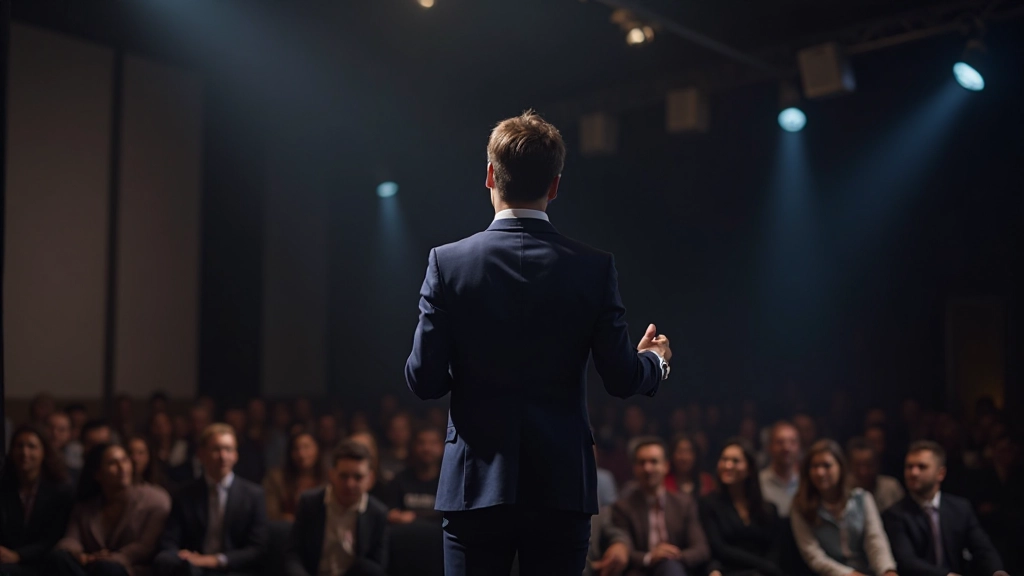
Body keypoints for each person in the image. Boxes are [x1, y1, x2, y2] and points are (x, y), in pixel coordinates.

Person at [405, 111, 671, 576]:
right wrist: (655, 361)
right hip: (561, 486)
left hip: (474, 485)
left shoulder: (447, 264)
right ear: (555, 185)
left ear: (490, 174)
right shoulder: (593, 267)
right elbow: (623, 378)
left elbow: (424, 380)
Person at [154, 424, 267, 576]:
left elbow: (257, 549)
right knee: (165, 559)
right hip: (191, 568)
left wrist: (215, 560)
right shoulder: (184, 494)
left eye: (228, 449)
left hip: (232, 569)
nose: (223, 456)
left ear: (236, 455)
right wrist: (182, 556)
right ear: (201, 454)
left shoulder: (254, 495)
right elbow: (169, 539)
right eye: (216, 449)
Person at [45, 443, 171, 576]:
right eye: (112, 463)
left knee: (107, 568)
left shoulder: (155, 500)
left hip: (130, 570)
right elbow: (71, 539)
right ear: (98, 474)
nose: (122, 468)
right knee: (58, 557)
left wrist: (111, 558)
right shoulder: (86, 507)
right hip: (90, 566)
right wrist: (79, 555)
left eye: (124, 460)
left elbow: (145, 546)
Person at [883, 441, 1004, 576]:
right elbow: (907, 561)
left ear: (940, 473)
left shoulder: (960, 508)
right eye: (909, 467)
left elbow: (982, 548)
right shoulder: (894, 514)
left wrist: (997, 572)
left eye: (922, 467)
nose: (914, 473)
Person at [790, 440, 897, 576]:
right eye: (814, 466)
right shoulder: (800, 505)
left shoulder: (862, 498)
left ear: (840, 467)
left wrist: (887, 571)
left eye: (826, 466)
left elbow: (875, 541)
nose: (820, 472)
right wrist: (850, 574)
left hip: (866, 571)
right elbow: (814, 556)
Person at [285, 441, 388, 576]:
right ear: (332, 474)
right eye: (343, 476)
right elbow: (293, 554)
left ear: (370, 479)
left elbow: (377, 565)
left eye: (358, 477)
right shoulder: (309, 503)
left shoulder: (378, 512)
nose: (350, 484)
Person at [611, 438, 710, 576]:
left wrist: (671, 556)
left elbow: (701, 549)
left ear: (666, 466)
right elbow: (624, 549)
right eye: (642, 463)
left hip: (676, 567)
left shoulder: (684, 504)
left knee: (670, 567)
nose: (647, 468)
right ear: (634, 468)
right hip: (640, 571)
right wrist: (650, 557)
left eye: (654, 461)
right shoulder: (623, 507)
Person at [700, 439, 785, 576]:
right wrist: (763, 566)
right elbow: (719, 549)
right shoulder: (708, 504)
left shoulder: (768, 509)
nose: (728, 465)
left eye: (735, 461)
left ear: (750, 468)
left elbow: (775, 549)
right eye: (724, 459)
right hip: (729, 571)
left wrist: (767, 569)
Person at [0, 425, 75, 575]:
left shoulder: (60, 491)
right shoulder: (4, 488)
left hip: (45, 562)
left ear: (43, 452)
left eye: (32, 447)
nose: (24, 452)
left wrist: (19, 555)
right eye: (19, 446)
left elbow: (56, 536)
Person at [382, 426, 443, 524]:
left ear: (442, 446)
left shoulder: (450, 484)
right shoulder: (399, 481)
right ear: (413, 446)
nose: (426, 448)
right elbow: (390, 513)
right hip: (405, 535)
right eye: (421, 443)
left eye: (433, 443)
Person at [264, 432, 326, 522]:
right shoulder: (276, 478)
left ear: (317, 449)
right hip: (283, 532)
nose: (301, 454)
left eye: (306, 447)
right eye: (296, 449)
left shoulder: (328, 480)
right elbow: (270, 513)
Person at [846, 438, 904, 512]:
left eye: (868, 465)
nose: (863, 471)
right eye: (858, 465)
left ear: (877, 464)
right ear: (849, 465)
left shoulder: (891, 488)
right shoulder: (844, 489)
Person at [759, 421, 801, 518]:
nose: (786, 448)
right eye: (780, 442)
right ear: (769, 447)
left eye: (792, 442)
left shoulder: (806, 483)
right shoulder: (758, 482)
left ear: (799, 446)